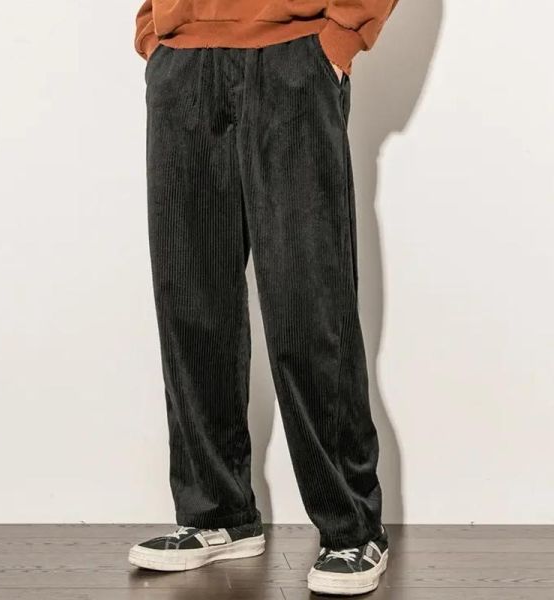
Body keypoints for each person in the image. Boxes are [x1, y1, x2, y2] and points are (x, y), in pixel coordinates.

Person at [128, 0, 399, 595]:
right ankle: (216, 513)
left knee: (309, 305)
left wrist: (341, 34)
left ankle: (352, 529)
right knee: (190, 301)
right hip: (183, 61)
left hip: (294, 56)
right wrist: (155, 30)